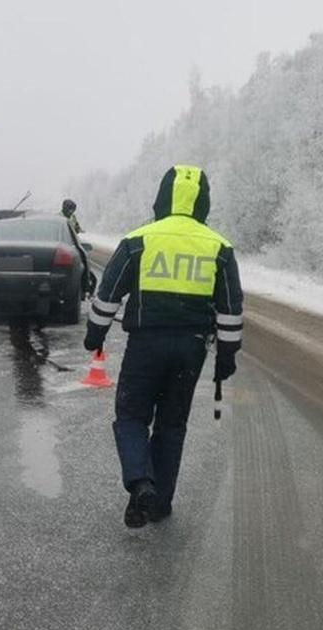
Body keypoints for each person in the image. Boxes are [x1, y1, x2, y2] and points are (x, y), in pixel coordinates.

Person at [83, 165, 243, 528]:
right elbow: (230, 309)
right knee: (172, 425)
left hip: (145, 345)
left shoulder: (138, 240)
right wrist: (227, 356)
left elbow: (108, 294)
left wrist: (95, 333)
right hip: (191, 349)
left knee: (131, 416)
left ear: (162, 197)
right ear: (203, 202)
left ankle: (140, 481)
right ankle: (159, 503)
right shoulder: (219, 247)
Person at [63, 198, 97, 298]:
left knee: (91, 277)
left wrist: (79, 229)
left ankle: (86, 292)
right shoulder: (60, 218)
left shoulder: (73, 217)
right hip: (66, 246)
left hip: (74, 244)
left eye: (73, 210)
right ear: (64, 208)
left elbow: (77, 228)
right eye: (69, 209)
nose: (71, 212)